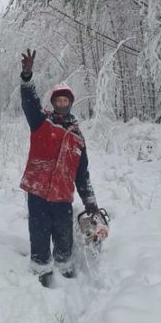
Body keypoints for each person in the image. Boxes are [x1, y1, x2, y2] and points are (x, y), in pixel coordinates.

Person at [19, 48, 99, 287]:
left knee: (64, 239)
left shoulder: (77, 137)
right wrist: (27, 78)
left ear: (70, 104)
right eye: (58, 100)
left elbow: (82, 174)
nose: (62, 104)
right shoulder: (41, 122)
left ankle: (65, 270)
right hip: (38, 193)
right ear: (53, 103)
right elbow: (29, 103)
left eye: (66, 101)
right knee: (39, 234)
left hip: (63, 196)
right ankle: (41, 269)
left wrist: (90, 201)